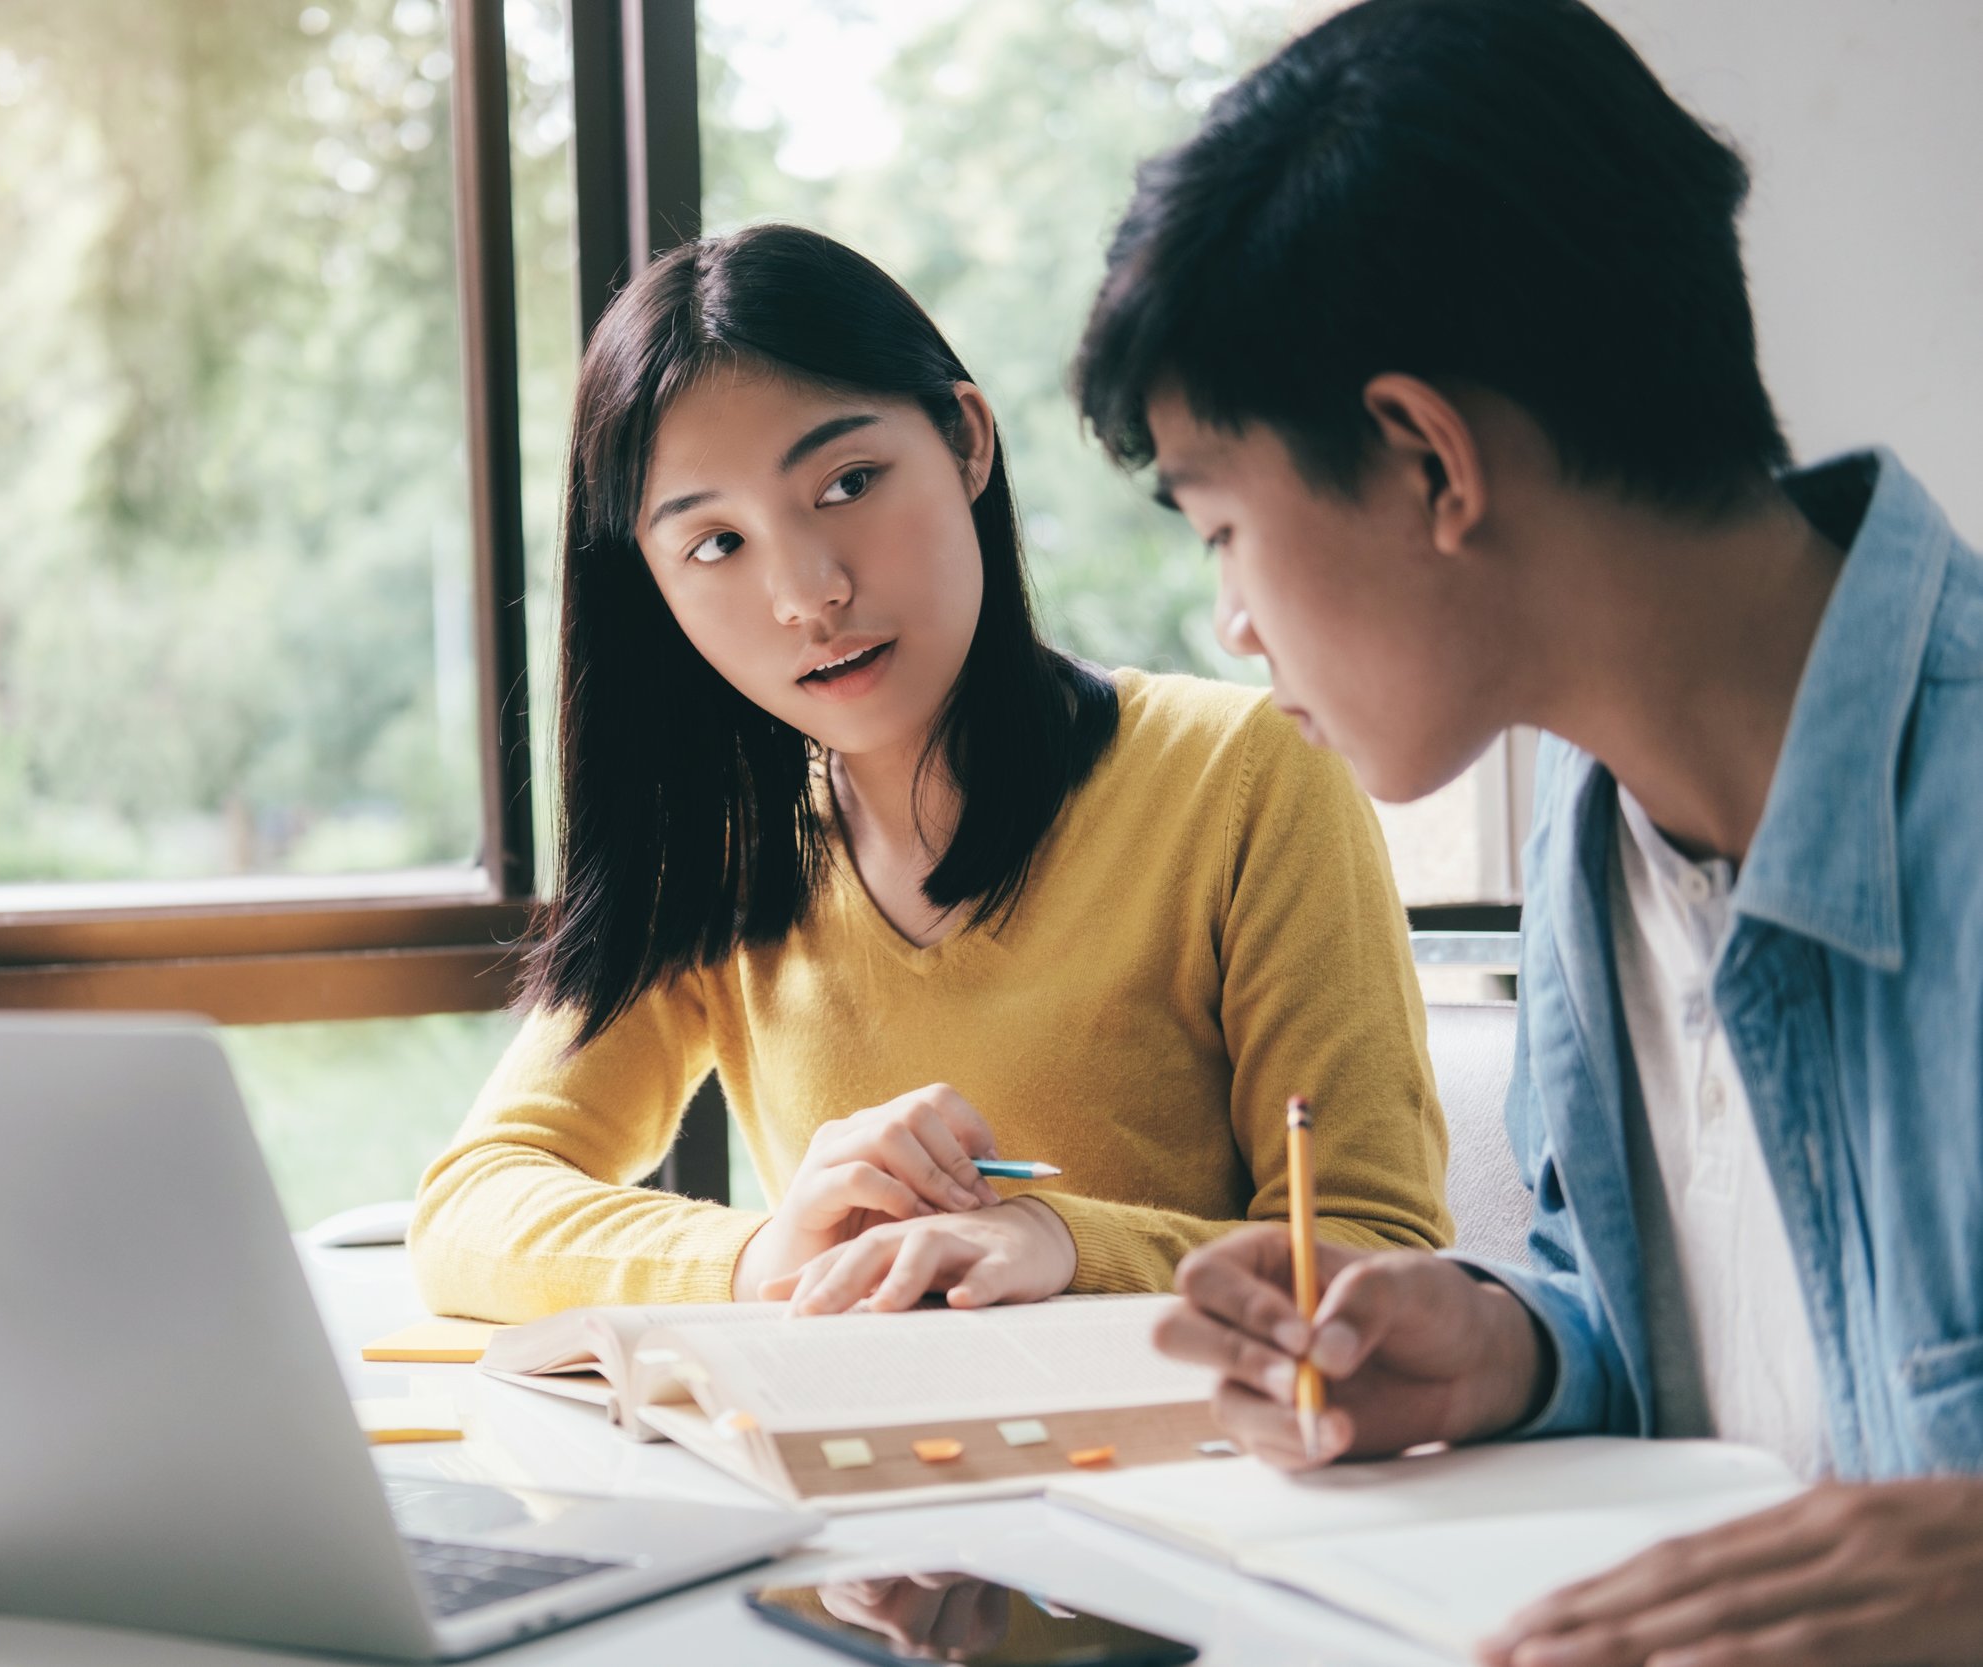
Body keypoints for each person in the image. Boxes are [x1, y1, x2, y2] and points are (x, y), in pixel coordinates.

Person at [1070, 0, 1983, 1661]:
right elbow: (1708, 1331)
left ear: (1427, 458)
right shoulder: (1594, 826)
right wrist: (1514, 1343)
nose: (1234, 626)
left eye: (1222, 528)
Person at [409, 223, 1451, 1324]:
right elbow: (472, 1208)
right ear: (653, 589)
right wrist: (767, 1251)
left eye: (847, 481)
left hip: (1187, 1472)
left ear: (964, 439)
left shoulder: (1244, 775)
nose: (808, 593)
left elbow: (1383, 1254)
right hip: (860, 1480)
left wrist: (1064, 1239)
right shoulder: (724, 855)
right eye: (716, 545)